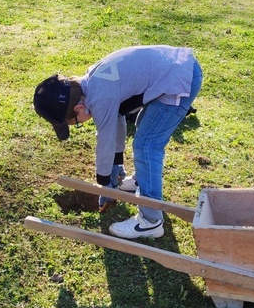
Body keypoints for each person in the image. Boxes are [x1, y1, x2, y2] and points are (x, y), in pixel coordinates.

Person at [33, 45, 203, 239]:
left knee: (147, 144)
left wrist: (105, 185)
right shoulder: (92, 81)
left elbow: (105, 141)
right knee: (144, 127)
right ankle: (143, 180)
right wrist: (117, 166)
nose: (79, 124)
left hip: (180, 80)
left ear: (79, 108)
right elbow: (118, 119)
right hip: (178, 68)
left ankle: (150, 221)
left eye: (76, 123)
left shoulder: (100, 97)